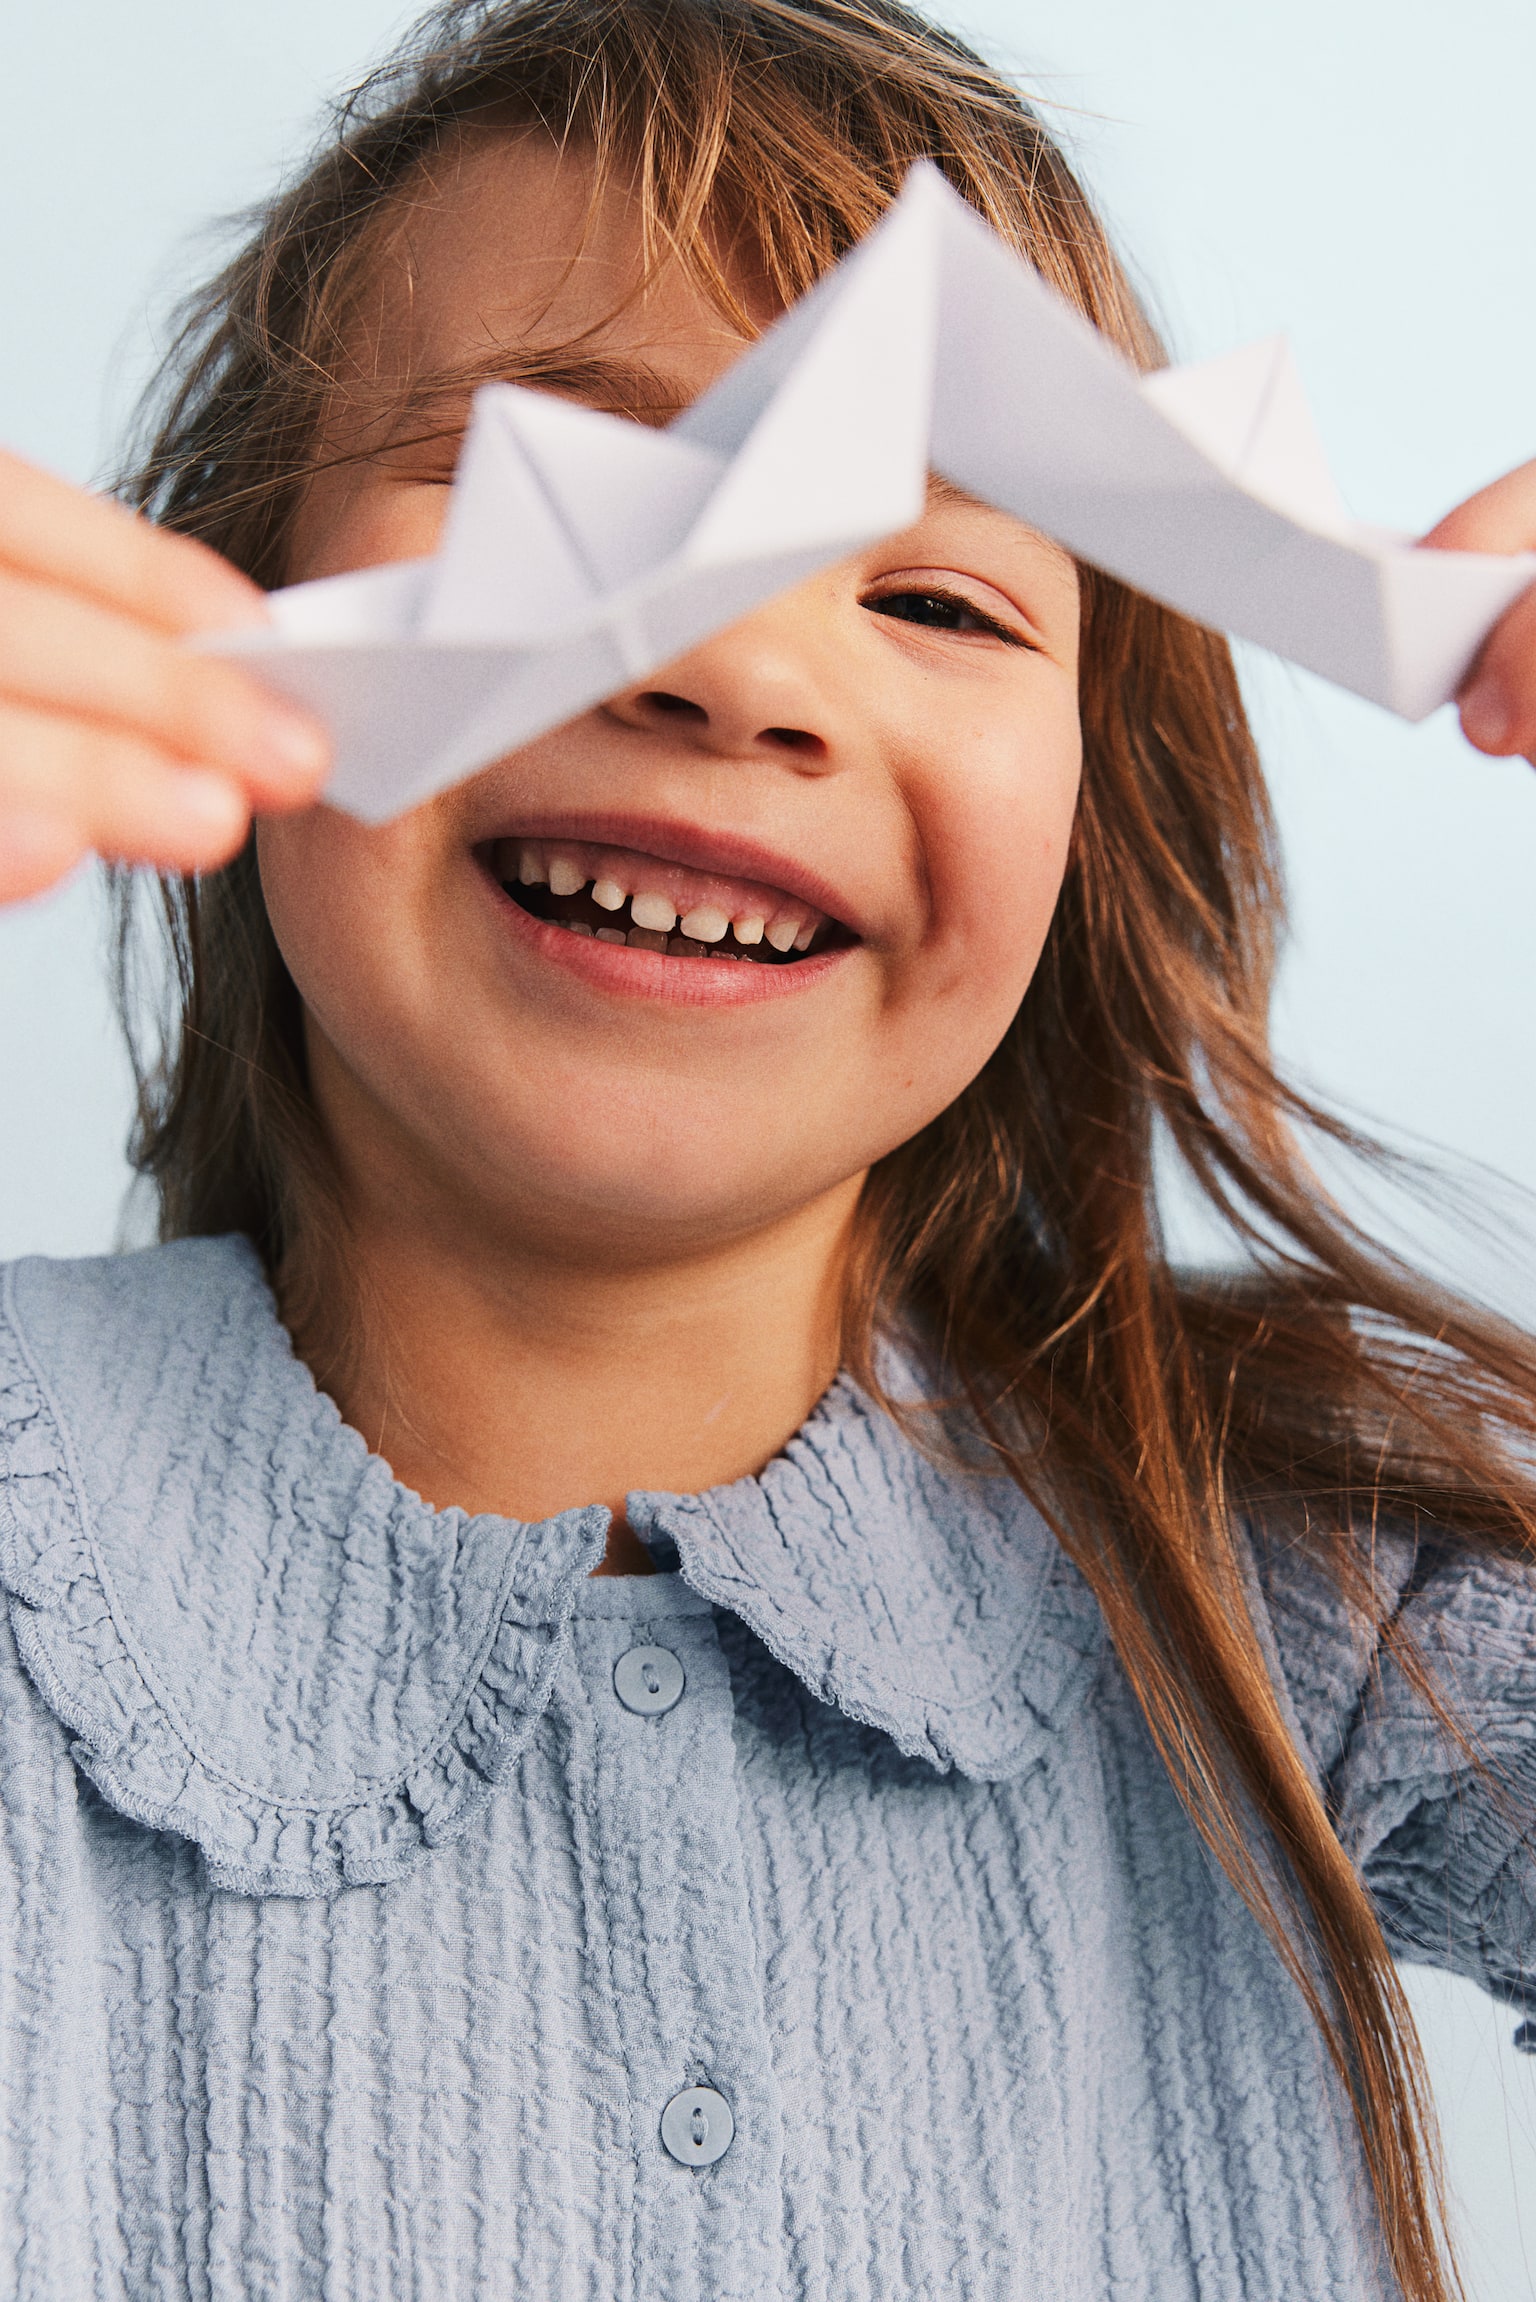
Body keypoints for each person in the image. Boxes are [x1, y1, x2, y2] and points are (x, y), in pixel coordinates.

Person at [1, 2, 1533, 2295]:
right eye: (566, 509)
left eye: (936, 594)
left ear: (1092, 825)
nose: (738, 669)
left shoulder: (1319, 1598)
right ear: (200, 618)